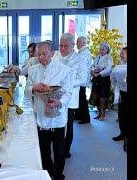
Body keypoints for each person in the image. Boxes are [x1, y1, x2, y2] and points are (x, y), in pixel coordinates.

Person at [25, 41, 72, 180]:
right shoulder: (33, 69)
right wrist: (33, 88)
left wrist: (60, 102)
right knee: (43, 149)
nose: (41, 57)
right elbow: (26, 90)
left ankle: (58, 175)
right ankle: (48, 172)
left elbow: (68, 93)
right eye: (38, 54)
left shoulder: (64, 70)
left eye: (44, 54)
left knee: (59, 150)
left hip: (57, 116)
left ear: (52, 53)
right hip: (40, 115)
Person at [56, 33, 86, 159]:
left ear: (73, 45)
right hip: (56, 96)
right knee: (58, 123)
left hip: (71, 98)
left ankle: (66, 149)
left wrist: (65, 83)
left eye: (65, 46)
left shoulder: (80, 59)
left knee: (68, 125)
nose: (62, 49)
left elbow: (83, 79)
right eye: (61, 45)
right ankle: (58, 147)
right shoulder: (56, 56)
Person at [89, 42, 113, 120]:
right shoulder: (97, 57)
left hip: (104, 79)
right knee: (96, 96)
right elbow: (93, 66)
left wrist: (99, 73)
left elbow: (108, 69)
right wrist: (92, 71)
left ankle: (103, 115)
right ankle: (99, 113)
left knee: (103, 97)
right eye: (100, 49)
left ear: (107, 50)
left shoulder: (109, 57)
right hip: (96, 78)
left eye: (103, 49)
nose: (101, 50)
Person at [75, 36, 93, 124]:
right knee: (80, 98)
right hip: (81, 79)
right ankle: (79, 115)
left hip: (81, 80)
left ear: (83, 43)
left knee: (82, 99)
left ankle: (85, 118)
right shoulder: (83, 52)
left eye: (77, 42)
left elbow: (82, 68)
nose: (76, 43)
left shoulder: (84, 54)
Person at [110, 47, 127, 142]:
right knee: (121, 114)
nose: (121, 55)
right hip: (122, 92)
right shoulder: (121, 65)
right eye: (121, 53)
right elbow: (113, 77)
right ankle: (122, 133)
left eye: (123, 54)